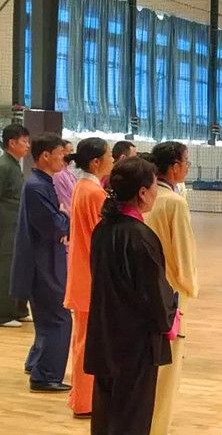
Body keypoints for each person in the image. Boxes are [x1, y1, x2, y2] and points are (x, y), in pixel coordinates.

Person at [84, 157, 178, 435]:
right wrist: (171, 311)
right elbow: (155, 295)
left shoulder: (103, 229)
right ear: (142, 192)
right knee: (132, 418)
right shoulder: (140, 236)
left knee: (105, 414)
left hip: (105, 334)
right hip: (134, 344)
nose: (156, 192)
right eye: (154, 186)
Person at [143, 141, 199, 435]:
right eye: (186, 162)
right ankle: (157, 427)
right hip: (170, 294)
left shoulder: (146, 198)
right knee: (167, 368)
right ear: (175, 167)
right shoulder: (173, 202)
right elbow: (183, 253)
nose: (187, 167)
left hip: (144, 290)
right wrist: (190, 285)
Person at [9, 133, 71, 391]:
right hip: (43, 263)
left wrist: (62, 216)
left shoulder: (41, 183)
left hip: (45, 259)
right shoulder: (37, 186)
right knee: (58, 319)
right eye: (60, 154)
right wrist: (65, 216)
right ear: (45, 155)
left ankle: (37, 364)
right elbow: (54, 225)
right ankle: (45, 376)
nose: (64, 159)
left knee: (48, 319)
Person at [64, 137, 114, 417]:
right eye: (109, 155)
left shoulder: (83, 187)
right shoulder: (94, 192)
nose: (112, 160)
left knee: (82, 340)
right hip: (90, 277)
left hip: (83, 274)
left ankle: (81, 397)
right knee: (87, 344)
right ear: (96, 162)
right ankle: (85, 401)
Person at [0, 124, 31, 328]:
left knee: (20, 266)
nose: (28, 145)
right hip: (6, 226)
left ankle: (19, 309)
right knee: (6, 268)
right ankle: (3, 314)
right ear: (12, 143)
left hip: (18, 224)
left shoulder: (14, 165)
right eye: (24, 141)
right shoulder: (3, 166)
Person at [53, 140, 80, 216]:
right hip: (68, 216)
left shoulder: (69, 173)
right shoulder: (58, 175)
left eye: (72, 150)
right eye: (69, 151)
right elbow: (64, 201)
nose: (72, 154)